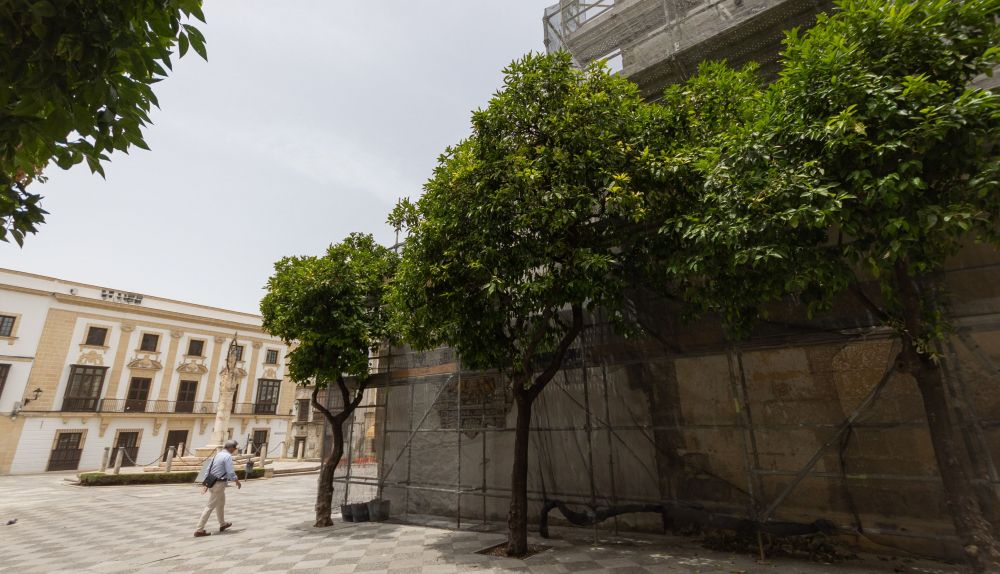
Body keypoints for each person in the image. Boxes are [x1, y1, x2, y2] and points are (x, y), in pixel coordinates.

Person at [194, 439, 242, 537]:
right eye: (235, 448)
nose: (235, 450)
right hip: (219, 484)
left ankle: (222, 524)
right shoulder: (227, 456)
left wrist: (206, 484)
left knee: (221, 503)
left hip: (212, 482)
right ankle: (199, 529)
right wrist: (237, 481)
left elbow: (208, 469)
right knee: (210, 506)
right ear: (231, 448)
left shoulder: (218, 454)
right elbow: (230, 471)